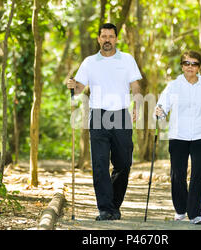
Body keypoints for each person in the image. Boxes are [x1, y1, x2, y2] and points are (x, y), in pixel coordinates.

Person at [66, 23, 142, 221]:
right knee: (100, 164)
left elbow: (135, 86)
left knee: (124, 163)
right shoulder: (90, 62)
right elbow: (79, 89)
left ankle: (114, 205)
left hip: (121, 115)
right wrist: (72, 86)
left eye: (111, 36)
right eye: (104, 36)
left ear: (116, 39)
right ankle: (105, 209)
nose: (107, 39)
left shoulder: (127, 60)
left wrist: (138, 106)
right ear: (99, 39)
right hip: (98, 115)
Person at [155, 50, 201, 224]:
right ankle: (180, 210)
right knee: (177, 174)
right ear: (182, 66)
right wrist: (159, 113)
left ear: (199, 67)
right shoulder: (173, 86)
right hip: (178, 135)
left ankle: (195, 214)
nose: (190, 67)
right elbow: (162, 107)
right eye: (186, 63)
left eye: (194, 64)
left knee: (198, 175)